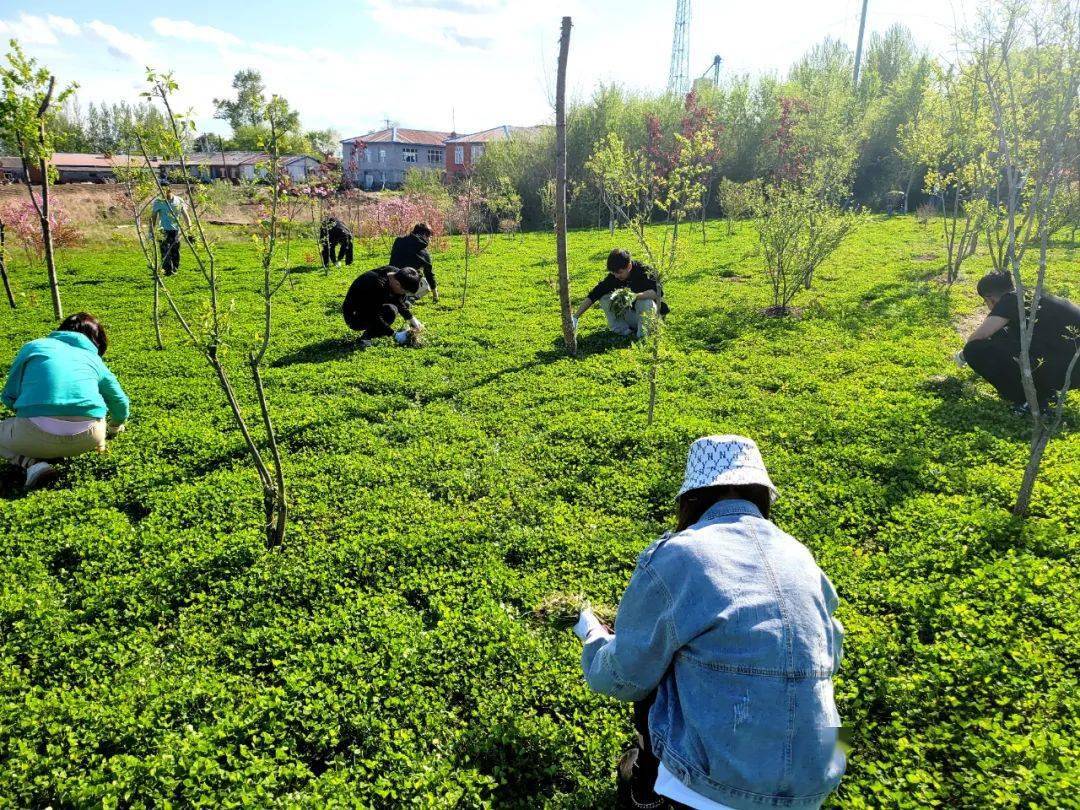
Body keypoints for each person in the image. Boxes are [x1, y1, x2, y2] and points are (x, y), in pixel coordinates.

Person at [573, 435, 845, 810]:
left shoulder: (679, 554)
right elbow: (833, 653)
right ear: (761, 496)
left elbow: (624, 676)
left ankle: (645, 786)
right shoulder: (800, 554)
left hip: (716, 783)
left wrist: (593, 638)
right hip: (820, 774)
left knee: (656, 666)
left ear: (691, 499)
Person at [1, 313, 129, 490]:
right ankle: (100, 446)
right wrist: (115, 426)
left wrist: (28, 411)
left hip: (31, 436)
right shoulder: (95, 360)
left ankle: (32, 464)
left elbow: (9, 396)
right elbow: (120, 402)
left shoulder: (34, 347)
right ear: (97, 341)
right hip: (90, 437)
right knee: (95, 419)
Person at [957, 272, 1080, 413]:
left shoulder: (1010, 300)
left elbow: (977, 338)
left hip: (1067, 368)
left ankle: (1030, 401)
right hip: (1073, 367)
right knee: (1003, 333)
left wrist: (962, 355)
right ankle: (1045, 392)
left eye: (986, 302)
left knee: (973, 350)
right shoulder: (1031, 295)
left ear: (990, 299)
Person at [573, 248, 669, 340]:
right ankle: (623, 330)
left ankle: (643, 336)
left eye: (619, 272)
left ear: (629, 267)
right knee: (604, 297)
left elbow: (657, 293)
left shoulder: (645, 270)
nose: (616, 276)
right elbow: (594, 294)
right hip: (634, 316)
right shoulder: (614, 276)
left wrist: (635, 296)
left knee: (645, 301)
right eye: (613, 273)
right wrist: (576, 317)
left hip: (652, 317)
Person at [342, 265, 425, 347]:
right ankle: (365, 339)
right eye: (404, 291)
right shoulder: (376, 286)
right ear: (397, 284)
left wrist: (411, 318)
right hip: (353, 316)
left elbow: (397, 299)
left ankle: (367, 335)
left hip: (369, 308)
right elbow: (373, 316)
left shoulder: (395, 273)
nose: (404, 294)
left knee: (393, 308)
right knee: (390, 312)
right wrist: (394, 334)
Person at [390, 222, 438, 303]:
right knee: (425, 284)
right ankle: (408, 298)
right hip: (405, 284)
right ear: (425, 235)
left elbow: (392, 262)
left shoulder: (398, 241)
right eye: (430, 237)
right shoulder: (424, 253)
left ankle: (400, 297)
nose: (430, 239)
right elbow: (429, 274)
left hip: (392, 280)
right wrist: (435, 294)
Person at [149, 188, 191, 276]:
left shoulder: (179, 200)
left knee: (175, 251)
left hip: (176, 230)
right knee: (164, 251)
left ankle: (175, 269)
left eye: (166, 191)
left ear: (171, 190)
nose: (164, 193)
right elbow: (153, 217)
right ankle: (166, 271)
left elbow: (186, 216)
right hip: (163, 230)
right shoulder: (158, 201)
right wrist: (151, 232)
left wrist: (190, 230)